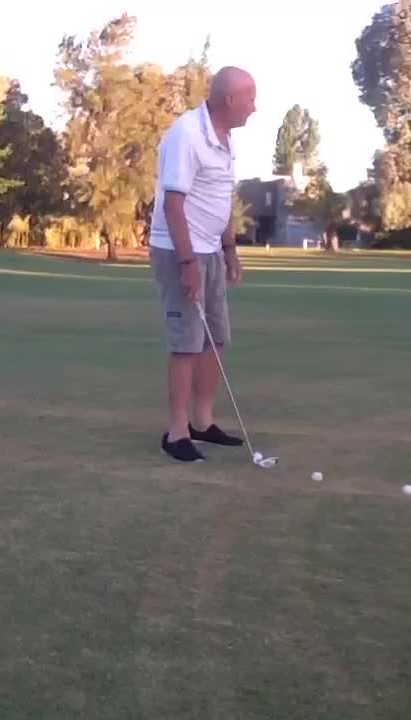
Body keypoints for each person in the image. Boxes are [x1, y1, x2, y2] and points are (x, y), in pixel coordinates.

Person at [147, 66, 256, 462]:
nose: (254, 107)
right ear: (229, 100)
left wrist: (229, 250)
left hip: (210, 250)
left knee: (216, 338)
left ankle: (203, 421)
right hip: (180, 250)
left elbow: (219, 200)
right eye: (250, 98)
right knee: (187, 343)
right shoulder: (187, 134)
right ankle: (176, 432)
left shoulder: (224, 140)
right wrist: (187, 260)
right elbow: (173, 203)